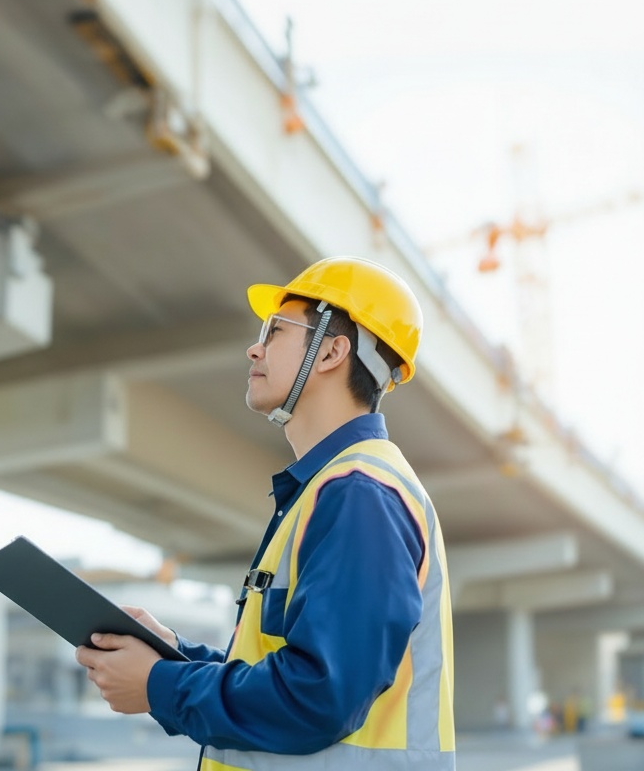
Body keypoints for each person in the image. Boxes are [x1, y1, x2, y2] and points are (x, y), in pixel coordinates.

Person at [76, 256, 455, 768]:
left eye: (276, 330)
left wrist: (159, 683)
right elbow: (285, 672)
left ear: (331, 351)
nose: (254, 347)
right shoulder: (331, 489)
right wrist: (174, 656)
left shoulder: (361, 493)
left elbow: (318, 698)